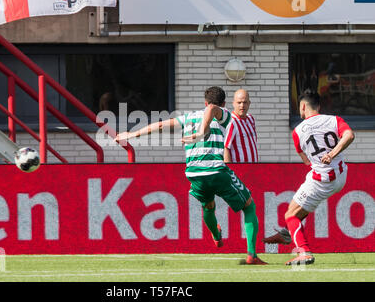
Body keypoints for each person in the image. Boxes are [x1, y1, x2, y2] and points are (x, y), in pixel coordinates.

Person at [115, 86, 267, 265]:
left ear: (203, 101)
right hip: (215, 170)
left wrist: (132, 134)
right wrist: (203, 130)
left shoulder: (188, 117)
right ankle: (252, 255)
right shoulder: (224, 114)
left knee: (208, 207)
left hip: (194, 173)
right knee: (249, 206)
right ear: (224, 104)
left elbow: (162, 124)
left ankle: (216, 235)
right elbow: (212, 109)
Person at [263, 91, 355, 265]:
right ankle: (287, 233)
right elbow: (349, 135)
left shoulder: (297, 131)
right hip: (341, 176)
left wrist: (322, 156)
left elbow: (306, 160)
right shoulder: (334, 120)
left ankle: (304, 252)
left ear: (303, 106)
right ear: (318, 106)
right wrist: (333, 153)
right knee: (297, 211)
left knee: (290, 215)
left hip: (322, 179)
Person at [224, 88, 258, 163]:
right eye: (239, 102)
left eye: (245, 102)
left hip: (254, 168)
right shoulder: (231, 122)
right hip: (240, 170)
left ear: (249, 103)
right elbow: (225, 148)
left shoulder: (250, 119)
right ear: (233, 103)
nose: (242, 106)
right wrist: (230, 170)